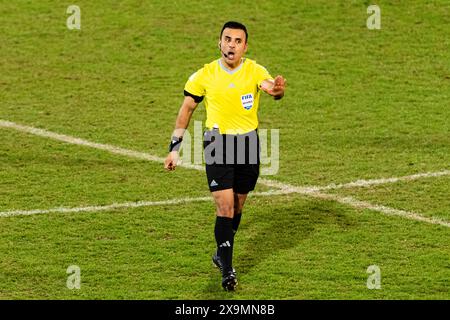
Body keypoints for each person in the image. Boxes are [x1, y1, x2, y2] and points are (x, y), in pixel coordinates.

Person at [164, 21, 286, 291]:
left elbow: (270, 88)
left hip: (248, 143)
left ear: (245, 47)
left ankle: (221, 253)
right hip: (217, 143)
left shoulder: (254, 70)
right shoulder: (204, 75)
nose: (231, 45)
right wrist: (174, 147)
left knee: (238, 206)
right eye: (227, 39)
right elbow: (186, 109)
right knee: (225, 207)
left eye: (237, 41)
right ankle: (228, 271)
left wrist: (277, 90)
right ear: (218, 43)